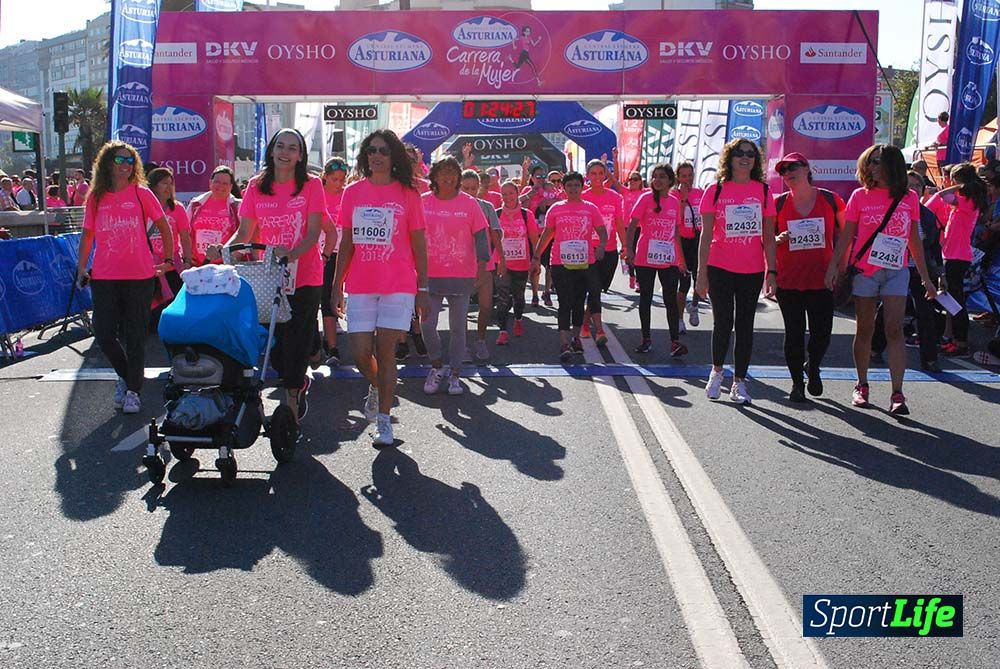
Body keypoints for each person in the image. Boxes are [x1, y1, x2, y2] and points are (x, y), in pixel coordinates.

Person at [332, 129, 429, 447]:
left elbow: (418, 243)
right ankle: (379, 385)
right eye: (371, 150)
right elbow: (345, 243)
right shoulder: (352, 192)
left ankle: (384, 421)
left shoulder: (408, 193)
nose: (376, 155)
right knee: (360, 354)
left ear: (393, 156)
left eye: (384, 151)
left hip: (398, 284)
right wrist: (336, 286)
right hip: (360, 284)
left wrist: (423, 289)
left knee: (385, 352)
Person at [825, 144, 937, 415]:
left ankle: (898, 393)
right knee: (865, 329)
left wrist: (926, 278)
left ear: (891, 165)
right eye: (869, 162)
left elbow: (914, 241)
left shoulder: (909, 197)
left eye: (877, 162)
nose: (871, 167)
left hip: (896, 270)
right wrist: (834, 267)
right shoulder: (859, 196)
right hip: (865, 271)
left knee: (894, 330)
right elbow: (847, 236)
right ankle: (861, 384)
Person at [224, 128, 325, 423]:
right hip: (267, 278)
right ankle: (298, 374)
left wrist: (290, 255)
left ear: (300, 155)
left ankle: (292, 396)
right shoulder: (256, 186)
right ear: (271, 149)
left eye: (293, 148)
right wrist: (225, 249)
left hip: (304, 276)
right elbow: (245, 232)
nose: (285, 152)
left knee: (296, 338)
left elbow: (313, 232)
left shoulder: (311, 185)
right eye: (281, 146)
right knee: (275, 342)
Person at [75, 140, 174, 414]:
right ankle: (127, 375)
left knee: (135, 335)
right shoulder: (96, 197)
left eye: (130, 161)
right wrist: (81, 267)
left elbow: (164, 226)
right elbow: (87, 235)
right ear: (107, 163)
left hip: (140, 276)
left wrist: (168, 260)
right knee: (104, 332)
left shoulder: (142, 193)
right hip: (105, 276)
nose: (126, 165)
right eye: (120, 160)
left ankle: (133, 391)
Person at [696, 139, 778, 405]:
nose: (745, 158)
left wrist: (771, 271)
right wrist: (701, 274)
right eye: (739, 153)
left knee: (745, 326)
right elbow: (706, 235)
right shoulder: (715, 190)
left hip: (751, 269)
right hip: (720, 266)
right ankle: (717, 371)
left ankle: (739, 381)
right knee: (723, 322)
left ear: (756, 160)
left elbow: (768, 235)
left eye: (750, 154)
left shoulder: (764, 192)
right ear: (729, 158)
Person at [771, 153, 845, 402]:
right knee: (793, 333)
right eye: (783, 170)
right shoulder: (778, 203)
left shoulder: (830, 199)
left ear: (806, 169)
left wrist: (840, 269)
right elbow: (765, 240)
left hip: (821, 279)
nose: (788, 173)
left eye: (793, 167)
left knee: (821, 333)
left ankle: (812, 366)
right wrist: (777, 240)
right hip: (789, 280)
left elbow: (846, 236)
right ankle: (796, 384)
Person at [420, 157, 491, 395]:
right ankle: (437, 365)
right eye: (443, 173)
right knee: (427, 326)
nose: (448, 177)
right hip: (429, 276)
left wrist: (482, 267)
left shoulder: (469, 204)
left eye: (453, 173)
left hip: (461, 275)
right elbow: (413, 236)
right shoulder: (423, 203)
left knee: (458, 328)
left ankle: (456, 374)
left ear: (459, 177)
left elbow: (482, 236)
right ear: (435, 176)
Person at [871, 171, 944, 373]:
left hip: (920, 271)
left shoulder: (928, 215)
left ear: (922, 191)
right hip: (896, 268)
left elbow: (935, 247)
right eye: (909, 185)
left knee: (926, 314)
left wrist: (940, 274)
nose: (913, 189)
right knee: (886, 311)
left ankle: (930, 359)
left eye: (917, 186)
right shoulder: (894, 209)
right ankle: (875, 349)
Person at [531, 172, 607, 361]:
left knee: (578, 302)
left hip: (584, 263)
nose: (573, 189)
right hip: (560, 262)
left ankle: (576, 338)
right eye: (570, 186)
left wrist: (601, 247)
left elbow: (602, 231)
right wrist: (536, 256)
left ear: (582, 187)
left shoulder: (590, 208)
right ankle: (564, 342)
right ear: (563, 188)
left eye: (576, 186)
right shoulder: (556, 209)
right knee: (564, 302)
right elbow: (547, 234)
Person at [925, 162, 988, 357]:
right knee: (951, 298)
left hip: (957, 256)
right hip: (952, 254)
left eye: (954, 179)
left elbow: (942, 196)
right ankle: (953, 337)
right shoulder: (964, 202)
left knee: (955, 300)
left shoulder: (968, 201)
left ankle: (960, 341)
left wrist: (958, 186)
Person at [624, 163, 687, 356]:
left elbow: (676, 233)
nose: (658, 180)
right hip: (645, 258)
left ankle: (675, 342)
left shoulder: (674, 202)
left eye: (662, 177)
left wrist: (681, 259)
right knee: (646, 298)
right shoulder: (645, 198)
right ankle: (646, 339)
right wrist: (629, 250)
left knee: (670, 299)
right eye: (655, 176)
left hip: (667, 258)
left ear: (670, 180)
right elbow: (632, 226)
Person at [460, 169, 504, 362]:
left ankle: (480, 340)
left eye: (473, 188)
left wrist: (501, 258)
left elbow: (496, 234)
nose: (469, 191)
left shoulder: (487, 207)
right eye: (465, 188)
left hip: (485, 263)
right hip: (460, 265)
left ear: (479, 188)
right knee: (461, 309)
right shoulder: (455, 207)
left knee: (485, 306)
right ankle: (463, 346)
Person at [580, 158, 625, 346]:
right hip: (589, 250)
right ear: (588, 176)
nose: (597, 177)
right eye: (593, 174)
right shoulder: (583, 197)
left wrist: (626, 247)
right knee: (594, 289)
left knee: (601, 287)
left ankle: (583, 321)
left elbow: (620, 224)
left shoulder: (615, 197)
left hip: (610, 250)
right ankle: (598, 330)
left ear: (605, 174)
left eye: (600, 173)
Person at [494, 179, 540, 345]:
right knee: (503, 297)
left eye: (511, 193)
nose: (508, 197)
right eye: (504, 194)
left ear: (517, 193)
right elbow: (492, 239)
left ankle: (519, 319)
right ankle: (503, 331)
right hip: (502, 263)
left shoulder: (527, 215)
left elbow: (534, 239)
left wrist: (536, 259)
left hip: (521, 262)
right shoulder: (497, 214)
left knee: (518, 297)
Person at [146, 166, 193, 301]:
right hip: (150, 265)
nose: (169, 187)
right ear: (154, 186)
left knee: (176, 300)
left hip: (172, 264)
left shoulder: (177, 208)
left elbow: (185, 237)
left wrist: (187, 261)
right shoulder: (145, 207)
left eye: (171, 183)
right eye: (164, 183)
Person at [521, 163, 563, 306]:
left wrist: (547, 201)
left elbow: (560, 201)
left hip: (550, 233)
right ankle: (534, 294)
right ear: (532, 177)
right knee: (535, 265)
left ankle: (546, 292)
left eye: (543, 176)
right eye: (538, 176)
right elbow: (520, 208)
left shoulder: (550, 189)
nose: (541, 179)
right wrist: (530, 195)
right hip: (533, 234)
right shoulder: (528, 190)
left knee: (550, 265)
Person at [320, 156, 348, 367]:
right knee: (323, 298)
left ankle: (333, 346)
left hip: (344, 252)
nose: (339, 184)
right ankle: (330, 346)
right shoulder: (317, 194)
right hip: (320, 253)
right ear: (325, 177)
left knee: (335, 295)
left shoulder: (347, 196)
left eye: (342, 179)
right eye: (334, 179)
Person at [186, 166, 240, 266]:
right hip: (198, 266)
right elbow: (185, 233)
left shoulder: (237, 206)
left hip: (227, 266)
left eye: (225, 183)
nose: (220, 186)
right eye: (217, 182)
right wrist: (187, 259)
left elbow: (245, 235)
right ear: (210, 183)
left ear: (231, 186)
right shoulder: (195, 204)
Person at [673, 161, 704, 332]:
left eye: (690, 175)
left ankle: (694, 305)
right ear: (678, 177)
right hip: (682, 242)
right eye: (683, 176)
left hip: (698, 240)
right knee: (683, 283)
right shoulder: (673, 195)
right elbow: (676, 218)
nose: (687, 179)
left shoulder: (700, 193)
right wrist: (683, 199)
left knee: (699, 279)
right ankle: (679, 319)